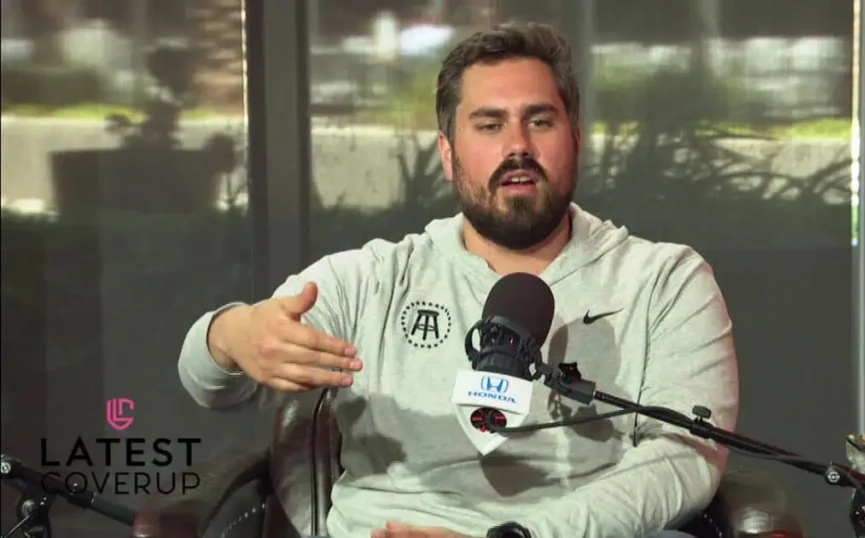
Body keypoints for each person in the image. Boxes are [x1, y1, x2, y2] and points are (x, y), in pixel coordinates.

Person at [178, 22, 739, 538]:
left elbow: (685, 458)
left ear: (575, 138)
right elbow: (209, 381)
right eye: (489, 124)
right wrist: (231, 334)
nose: (517, 144)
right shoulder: (374, 278)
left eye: (539, 120)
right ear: (448, 153)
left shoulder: (665, 281)